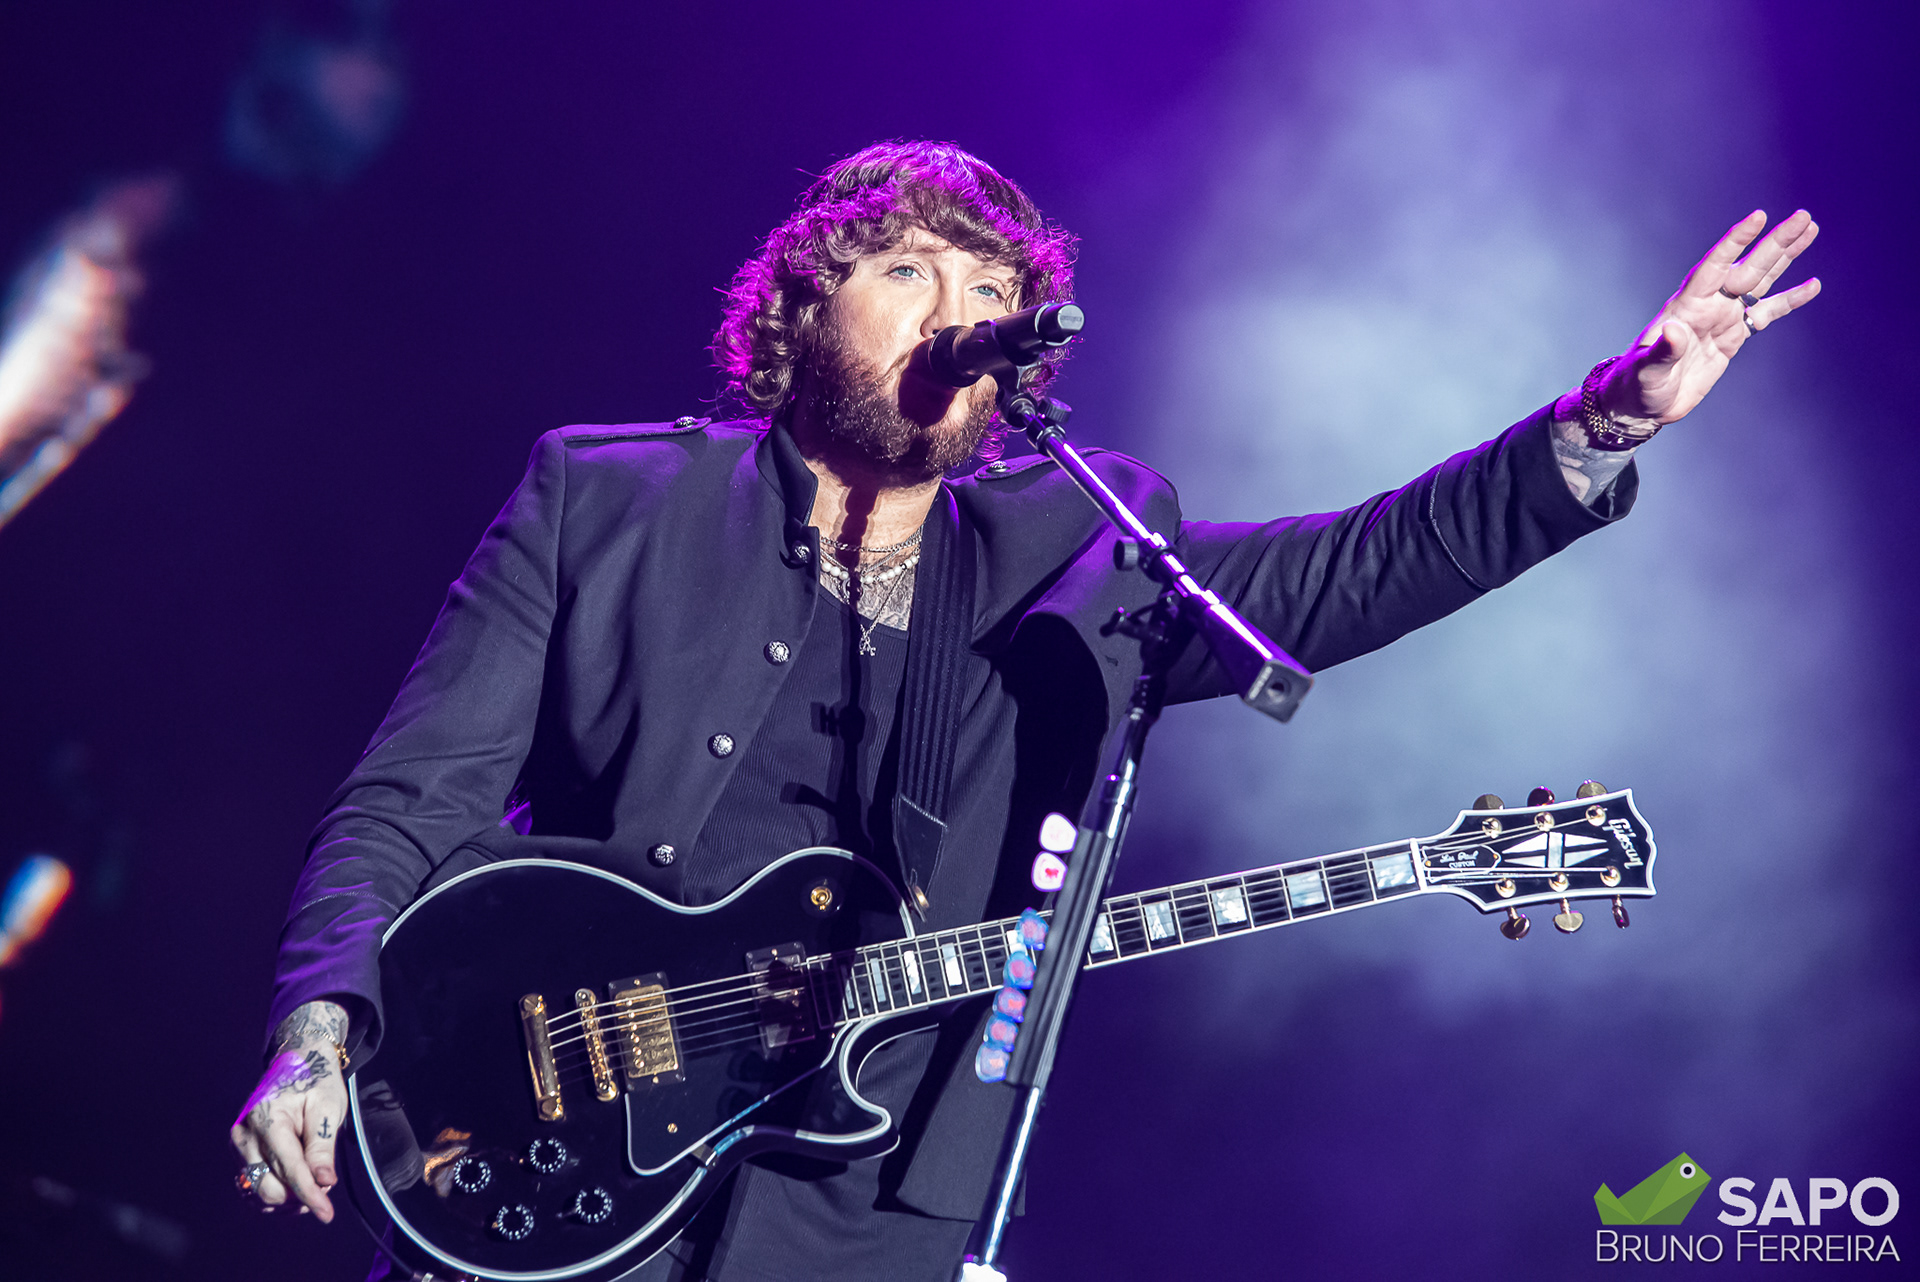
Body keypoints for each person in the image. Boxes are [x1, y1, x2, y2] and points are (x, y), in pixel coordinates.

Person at [229, 141, 1820, 1281]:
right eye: (908, 270)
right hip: (549, 1126)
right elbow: (412, 797)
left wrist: (1601, 422)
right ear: (804, 303)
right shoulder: (607, 499)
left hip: (867, 1213)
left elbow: (1351, 569)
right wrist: (318, 1034)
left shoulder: (1083, 551)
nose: (956, 308)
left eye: (989, 286)